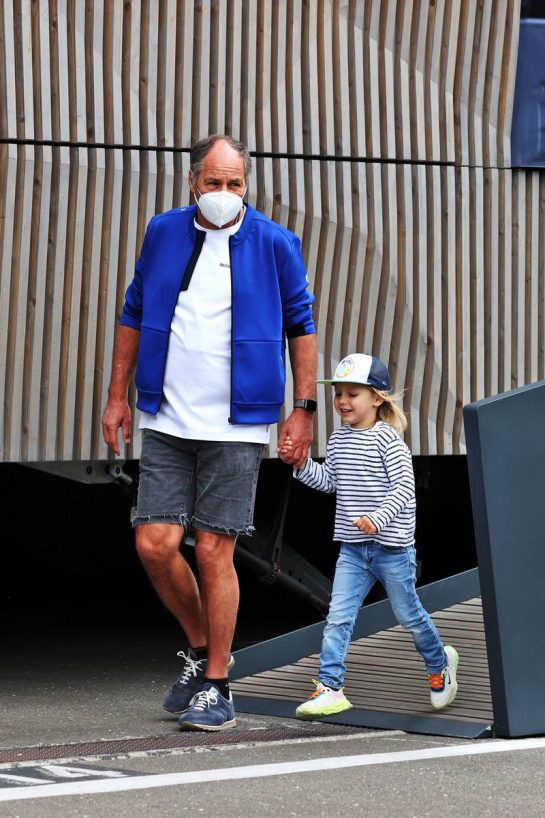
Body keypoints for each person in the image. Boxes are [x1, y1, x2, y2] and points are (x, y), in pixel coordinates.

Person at [102, 134, 317, 731]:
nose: (226, 194)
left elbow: (301, 323)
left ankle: (218, 684)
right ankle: (200, 650)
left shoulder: (274, 242)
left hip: (239, 420)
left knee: (215, 548)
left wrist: (302, 410)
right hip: (167, 414)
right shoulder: (164, 231)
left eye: (236, 183)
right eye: (215, 182)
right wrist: (118, 396)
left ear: (246, 185)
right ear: (194, 182)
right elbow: (135, 310)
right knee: (154, 544)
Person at [278, 353, 458, 718]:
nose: (342, 401)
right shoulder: (339, 441)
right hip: (353, 549)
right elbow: (331, 483)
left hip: (392, 548)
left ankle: (440, 664)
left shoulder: (388, 440)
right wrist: (301, 466)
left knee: (408, 614)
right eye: (338, 394)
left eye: (352, 394)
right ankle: (330, 687)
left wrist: (378, 518)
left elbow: (405, 487)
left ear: (377, 398)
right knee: (338, 617)